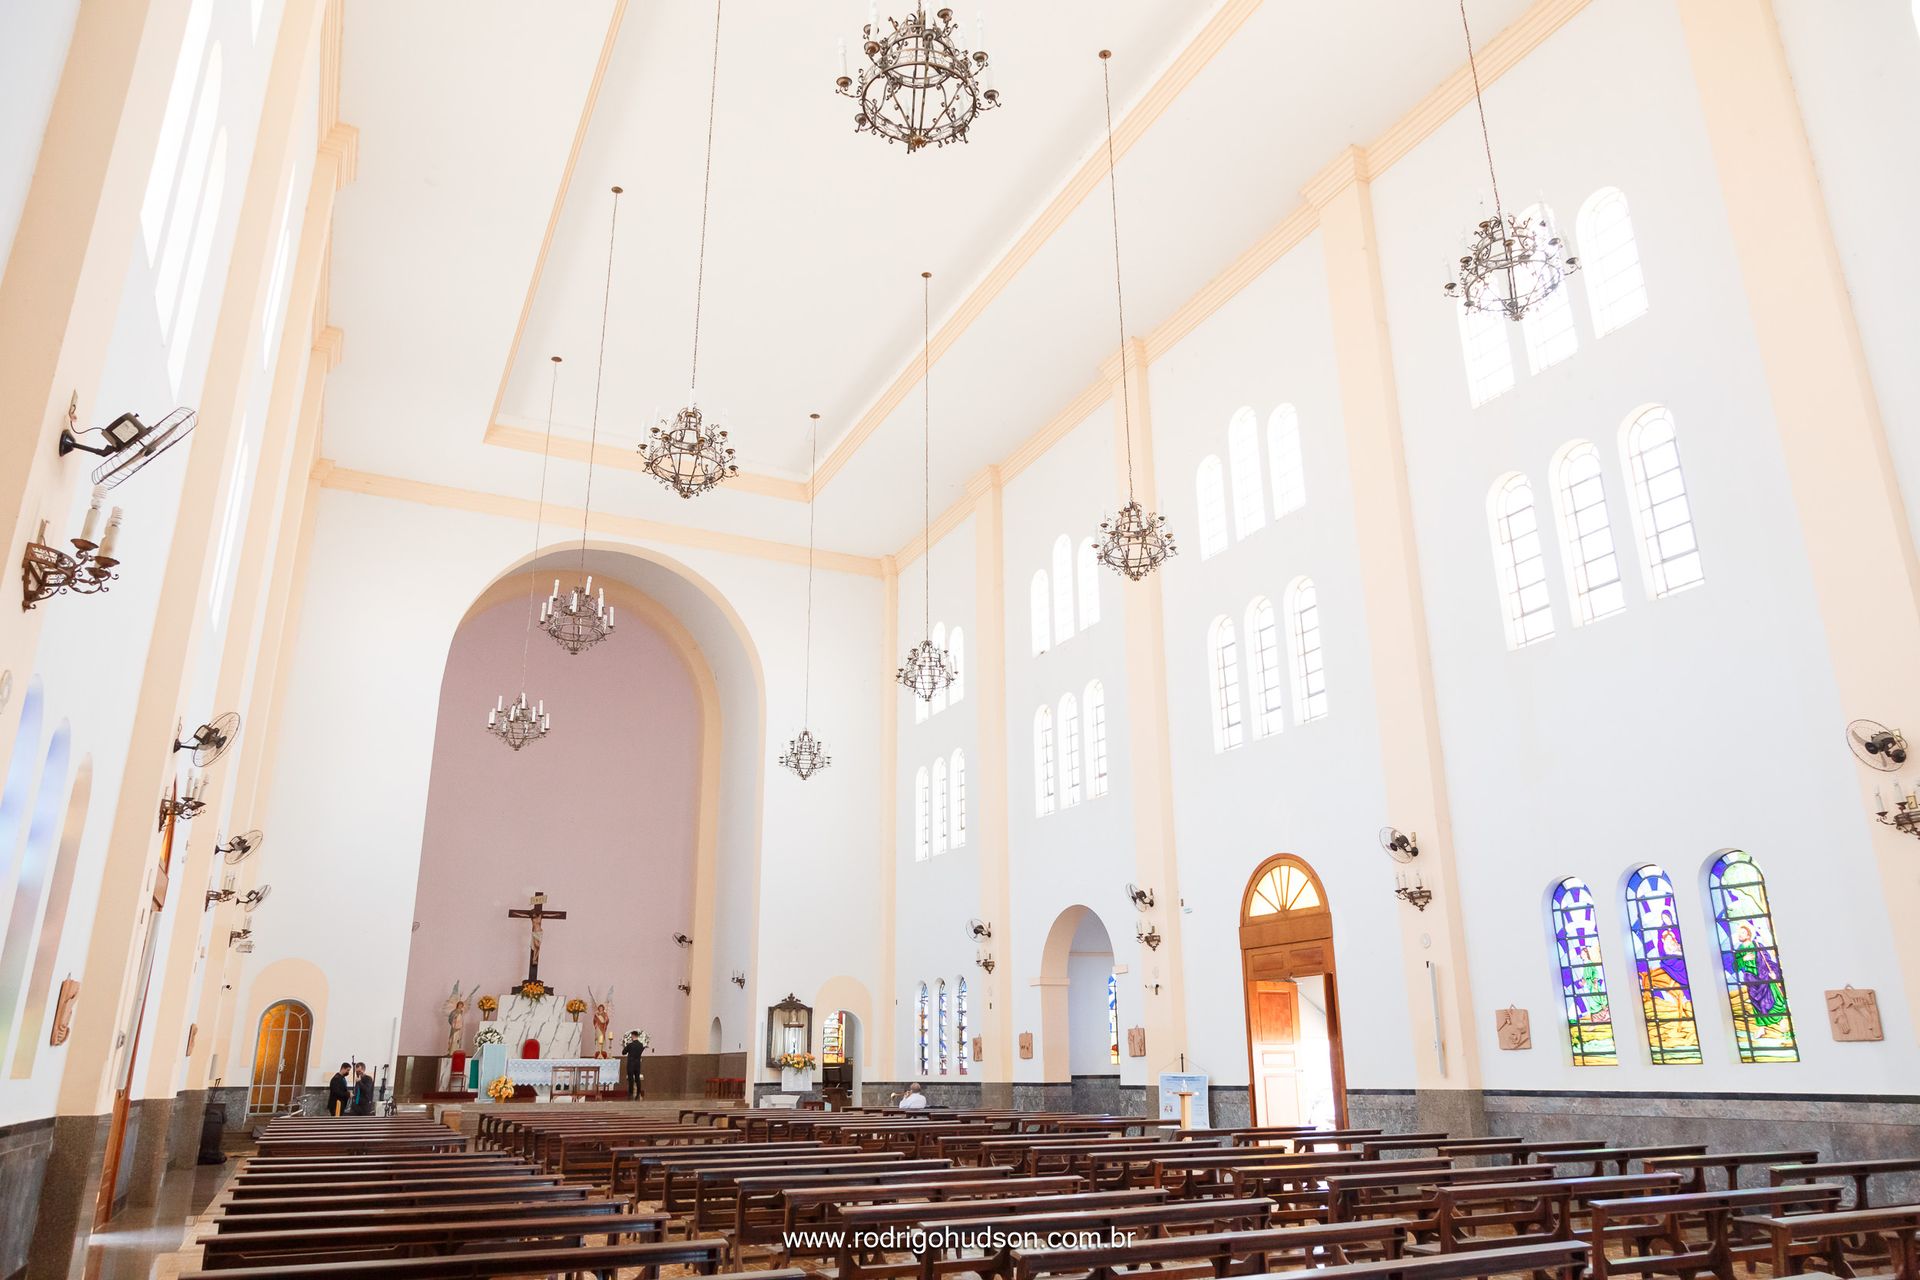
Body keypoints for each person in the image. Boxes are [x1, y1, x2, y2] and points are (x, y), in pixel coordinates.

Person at [621, 1032, 645, 1099]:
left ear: (633, 1036)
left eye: (631, 1036)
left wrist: (625, 1045)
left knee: (631, 1079)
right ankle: (638, 1093)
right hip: (637, 1064)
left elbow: (623, 1052)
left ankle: (630, 1094)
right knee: (637, 1079)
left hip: (631, 1064)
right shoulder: (641, 1045)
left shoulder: (630, 1045)